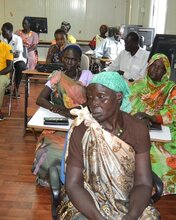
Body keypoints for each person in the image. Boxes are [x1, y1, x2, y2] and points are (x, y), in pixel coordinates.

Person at [57, 71, 159, 219]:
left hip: (128, 198)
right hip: (88, 199)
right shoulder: (82, 129)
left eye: (101, 97)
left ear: (118, 97)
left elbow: (143, 182)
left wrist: (131, 215)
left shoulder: (138, 129)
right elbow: (73, 184)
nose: (93, 104)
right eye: (90, 98)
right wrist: (98, 218)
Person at [129, 53, 176, 195]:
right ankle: (149, 187)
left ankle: (175, 187)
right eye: (153, 65)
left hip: (170, 126)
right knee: (146, 150)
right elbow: (127, 106)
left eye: (160, 68)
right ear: (148, 66)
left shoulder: (173, 89)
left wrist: (154, 118)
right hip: (141, 125)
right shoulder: (137, 85)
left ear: (166, 71)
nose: (155, 70)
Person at [34, 44, 93, 186]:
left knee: (79, 150)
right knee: (45, 149)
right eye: (66, 59)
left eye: (73, 59)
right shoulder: (58, 76)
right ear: (62, 59)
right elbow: (40, 99)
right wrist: (60, 110)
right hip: (60, 120)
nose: (69, 62)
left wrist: (75, 110)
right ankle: (48, 179)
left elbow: (92, 101)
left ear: (79, 61)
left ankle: (73, 181)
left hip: (81, 120)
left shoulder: (87, 76)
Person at [1, 22, 26, 92]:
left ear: (10, 31)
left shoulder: (18, 39)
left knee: (21, 67)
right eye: (2, 31)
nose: (2, 33)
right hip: (4, 60)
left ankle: (16, 88)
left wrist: (7, 55)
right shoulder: (1, 38)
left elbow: (17, 54)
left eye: (4, 31)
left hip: (16, 60)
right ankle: (5, 86)